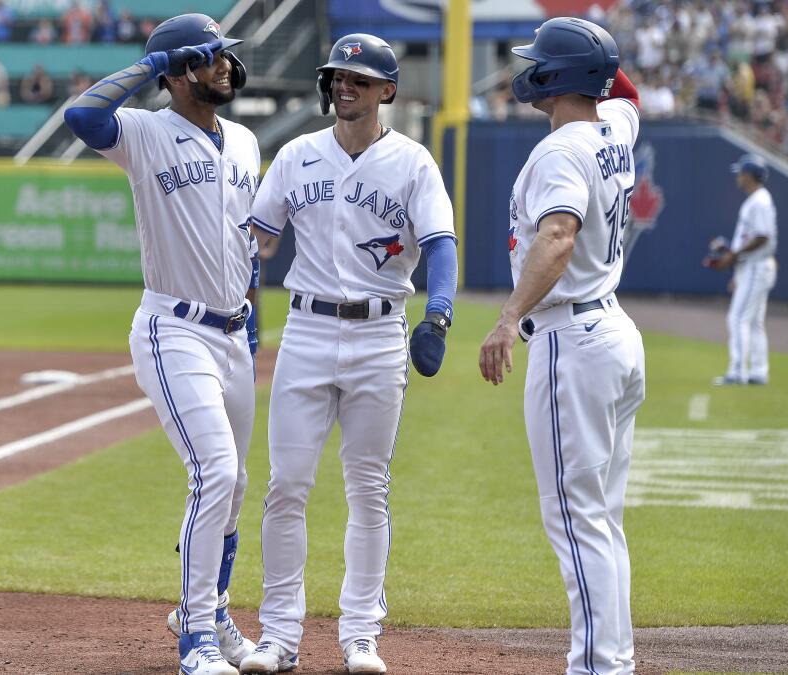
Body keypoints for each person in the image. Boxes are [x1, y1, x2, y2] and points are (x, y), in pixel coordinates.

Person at [239, 34, 457, 675]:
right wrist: (237, 297)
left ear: (387, 90)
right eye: (337, 75)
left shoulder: (414, 164)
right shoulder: (297, 154)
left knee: (368, 489)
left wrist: (438, 314)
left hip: (378, 336)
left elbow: (441, 246)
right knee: (286, 487)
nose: (345, 86)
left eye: (359, 78)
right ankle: (279, 637)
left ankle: (361, 637)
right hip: (305, 332)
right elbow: (259, 240)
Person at [64, 13, 259, 675]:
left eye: (227, 56)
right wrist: (154, 65)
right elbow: (81, 117)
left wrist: (252, 323)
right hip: (172, 329)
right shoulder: (146, 133)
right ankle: (195, 640)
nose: (225, 66)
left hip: (234, 334)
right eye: (210, 58)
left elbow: (244, 246)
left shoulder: (248, 142)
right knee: (215, 471)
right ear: (178, 75)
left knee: (235, 489)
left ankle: (213, 612)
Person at [478, 18, 644, 675]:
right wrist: (606, 61)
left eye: (539, 61)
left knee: (577, 521)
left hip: (570, 337)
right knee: (601, 518)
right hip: (613, 333)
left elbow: (557, 235)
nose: (528, 69)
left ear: (557, 76)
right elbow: (627, 95)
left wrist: (507, 317)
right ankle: (615, 658)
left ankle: (599, 665)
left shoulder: (560, 151)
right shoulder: (615, 130)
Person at [706, 154, 777, 385]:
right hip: (753, 265)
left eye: (742, 173)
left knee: (737, 318)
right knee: (754, 321)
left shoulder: (760, 201)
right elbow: (753, 238)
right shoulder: (756, 200)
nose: (739, 176)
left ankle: (738, 372)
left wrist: (732, 256)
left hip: (756, 265)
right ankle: (758, 371)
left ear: (749, 175)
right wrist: (733, 258)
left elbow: (762, 237)